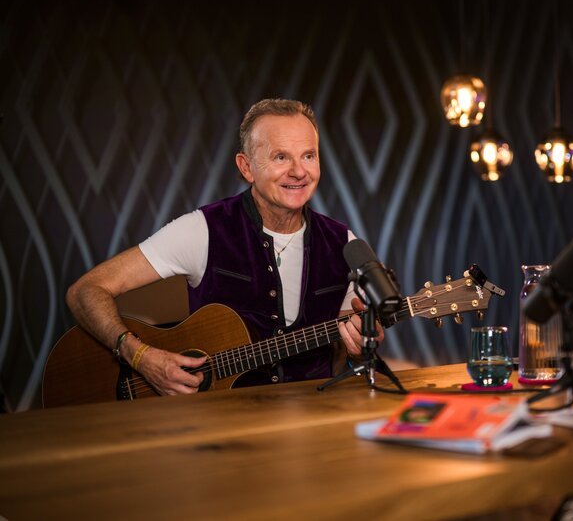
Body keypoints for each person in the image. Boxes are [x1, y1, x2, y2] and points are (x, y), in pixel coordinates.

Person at [66, 98, 379, 396]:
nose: (299, 171)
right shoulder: (201, 230)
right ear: (246, 167)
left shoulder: (345, 244)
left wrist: (361, 345)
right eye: (280, 157)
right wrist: (138, 356)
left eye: (308, 155)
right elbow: (85, 290)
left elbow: (346, 356)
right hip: (219, 426)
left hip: (313, 421)